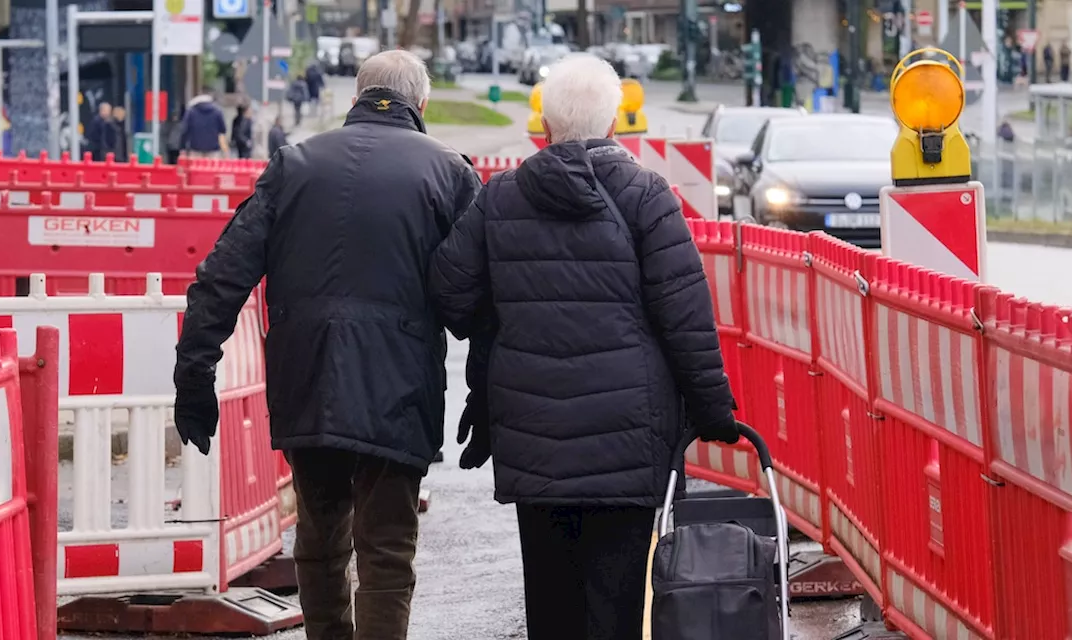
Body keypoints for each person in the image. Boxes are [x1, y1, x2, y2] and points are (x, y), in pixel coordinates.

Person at [429, 53, 740, 640]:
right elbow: (686, 318)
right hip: (627, 435)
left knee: (549, 601)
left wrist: (503, 322)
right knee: (617, 603)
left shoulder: (501, 198)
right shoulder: (648, 195)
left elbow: (449, 290)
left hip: (534, 437)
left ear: (543, 128)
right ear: (614, 126)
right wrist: (713, 411)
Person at [172, 50, 480, 640]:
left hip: (306, 378)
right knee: (388, 547)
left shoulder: (294, 165)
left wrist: (195, 375)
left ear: (358, 95)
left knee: (319, 537)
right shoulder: (449, 173)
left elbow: (221, 278)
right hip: (401, 384)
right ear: (421, 104)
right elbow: (477, 295)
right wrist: (486, 391)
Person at [181, 93, 229, 159]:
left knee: (196, 168)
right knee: (211, 169)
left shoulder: (191, 112)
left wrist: (183, 147)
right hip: (213, 149)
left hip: (195, 149)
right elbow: (223, 130)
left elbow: (185, 130)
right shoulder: (217, 112)